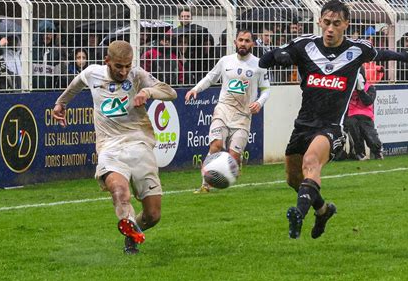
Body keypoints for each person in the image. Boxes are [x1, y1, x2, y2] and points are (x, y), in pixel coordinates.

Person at [259, 0, 408, 240]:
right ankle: (323, 211)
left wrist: (404, 56)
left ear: (346, 24)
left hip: (331, 127)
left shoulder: (357, 50)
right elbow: (266, 59)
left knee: (311, 162)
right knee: (294, 179)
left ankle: (298, 214)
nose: (330, 28)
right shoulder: (304, 46)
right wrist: (276, 56)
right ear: (319, 22)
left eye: (336, 23)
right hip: (303, 125)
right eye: (326, 23)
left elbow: (381, 53)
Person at [52, 40, 177, 254]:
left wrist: (147, 93)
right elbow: (75, 85)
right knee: (119, 190)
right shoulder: (93, 73)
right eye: (119, 66)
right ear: (107, 61)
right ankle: (129, 233)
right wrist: (60, 103)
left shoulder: (137, 75)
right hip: (109, 146)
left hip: (139, 143)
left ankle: (133, 230)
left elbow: (170, 92)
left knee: (153, 215)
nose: (124, 71)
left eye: (128, 65)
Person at [185, 29, 270, 193]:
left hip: (243, 116)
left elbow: (266, 89)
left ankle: (234, 165)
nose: (243, 43)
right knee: (216, 145)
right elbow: (211, 77)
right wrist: (195, 89)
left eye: (247, 40)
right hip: (223, 110)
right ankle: (205, 184)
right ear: (235, 42)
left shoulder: (260, 65)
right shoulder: (225, 61)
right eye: (240, 40)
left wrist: (259, 102)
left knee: (233, 156)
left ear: (252, 43)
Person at [344, 70, 384, 160]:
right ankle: (359, 153)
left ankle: (377, 151)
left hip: (366, 115)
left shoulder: (370, 87)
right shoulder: (348, 87)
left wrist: (360, 90)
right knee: (353, 129)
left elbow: (368, 102)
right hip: (351, 114)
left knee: (369, 135)